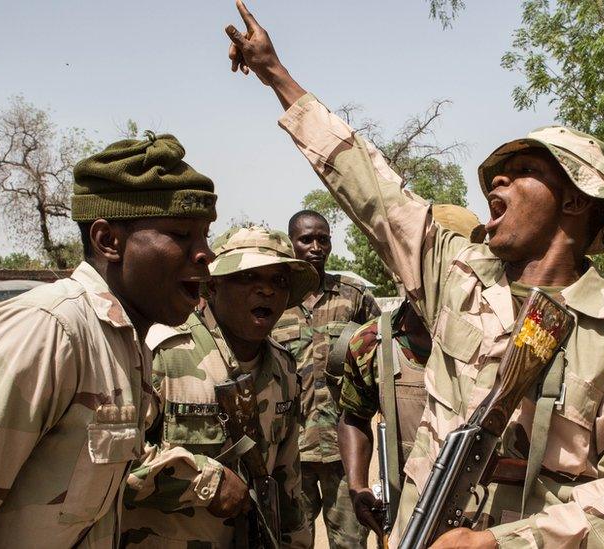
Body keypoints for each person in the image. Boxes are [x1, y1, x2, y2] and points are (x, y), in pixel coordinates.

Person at [224, 4, 604, 547]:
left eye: (525, 173)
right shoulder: (458, 276)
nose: (497, 184)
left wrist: (503, 542)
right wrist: (276, 75)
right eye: (497, 175)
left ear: (575, 201)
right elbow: (370, 186)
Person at [0, 133, 221, 546]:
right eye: (181, 235)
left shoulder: (124, 341)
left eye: (205, 236)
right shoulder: (52, 331)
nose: (205, 254)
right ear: (108, 241)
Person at [121, 226, 316, 547]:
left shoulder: (283, 367)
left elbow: (287, 481)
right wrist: (206, 482)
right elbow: (114, 465)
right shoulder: (162, 354)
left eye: (278, 281)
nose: (266, 291)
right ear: (211, 287)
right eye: (248, 277)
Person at [336, 205, 486, 536]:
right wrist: (358, 486)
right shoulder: (372, 343)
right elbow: (354, 417)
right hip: (409, 518)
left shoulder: (504, 342)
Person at [271, 208, 381, 548]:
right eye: (306, 239)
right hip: (290, 452)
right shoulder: (275, 299)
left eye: (323, 239)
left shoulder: (354, 295)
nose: (316, 247)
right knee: (289, 541)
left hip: (344, 450)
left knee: (351, 543)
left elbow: (380, 347)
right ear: (291, 245)